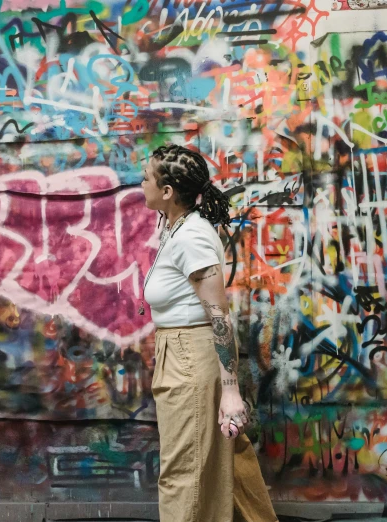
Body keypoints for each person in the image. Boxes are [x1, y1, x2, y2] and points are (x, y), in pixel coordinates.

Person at [140, 144, 278, 522]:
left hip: (191, 359)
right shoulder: (176, 228)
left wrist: (230, 391)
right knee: (223, 462)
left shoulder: (192, 237)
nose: (141, 183)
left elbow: (219, 317)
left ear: (167, 192)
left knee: (185, 473)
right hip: (180, 354)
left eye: (147, 177)